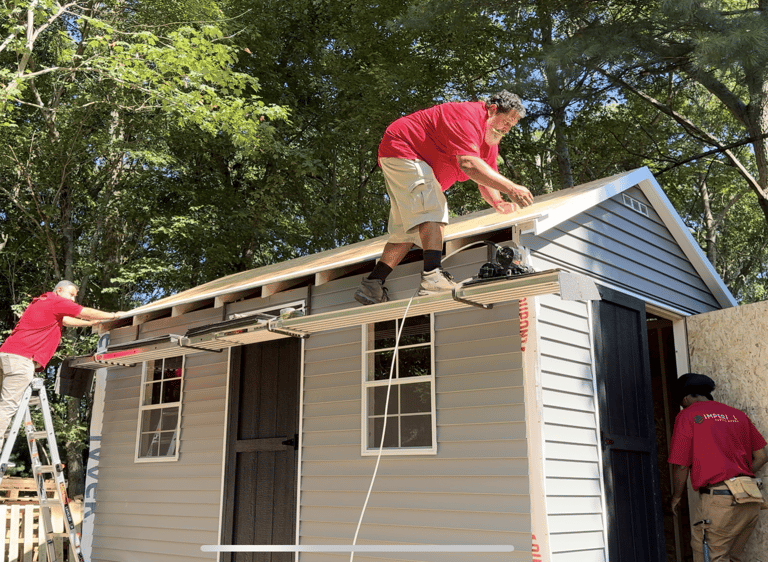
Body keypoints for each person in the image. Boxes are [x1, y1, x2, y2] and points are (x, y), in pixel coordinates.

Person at [354, 90, 535, 305]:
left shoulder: (489, 141)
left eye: (511, 126)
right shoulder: (467, 116)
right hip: (405, 149)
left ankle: (372, 285)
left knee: (406, 231)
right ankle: (432, 278)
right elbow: (468, 164)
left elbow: (485, 176)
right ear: (492, 110)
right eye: (506, 121)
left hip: (402, 158)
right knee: (434, 207)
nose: (507, 129)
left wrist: (497, 201)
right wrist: (511, 188)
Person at [0, 280, 123, 447]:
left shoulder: (41, 302)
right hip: (22, 360)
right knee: (6, 408)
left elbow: (65, 320)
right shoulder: (56, 301)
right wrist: (114, 316)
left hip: (6, 354)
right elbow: (84, 311)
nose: (72, 300)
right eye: (71, 295)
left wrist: (89, 324)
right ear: (59, 290)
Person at [669, 372, 768, 562]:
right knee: (732, 558)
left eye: (682, 401)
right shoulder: (738, 415)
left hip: (720, 503)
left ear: (686, 397)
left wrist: (676, 496)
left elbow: (681, 465)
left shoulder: (687, 416)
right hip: (749, 499)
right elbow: (762, 456)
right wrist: (737, 477)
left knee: (711, 557)